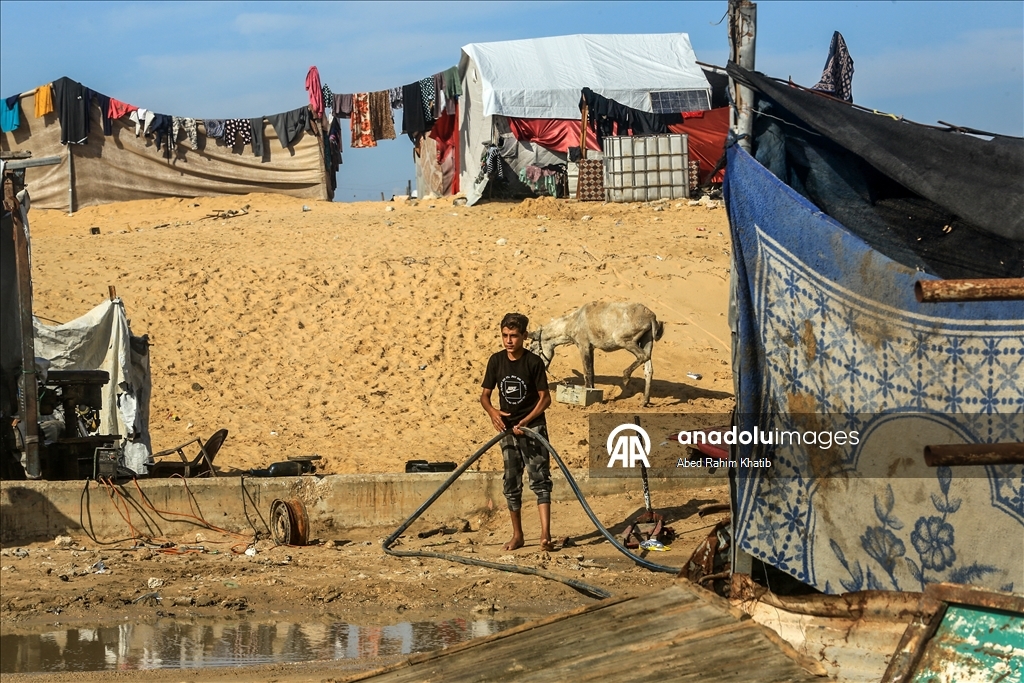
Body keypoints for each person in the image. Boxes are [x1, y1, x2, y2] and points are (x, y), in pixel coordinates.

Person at [480, 312, 554, 552]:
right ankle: (518, 535)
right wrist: (493, 412)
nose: (509, 340)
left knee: (540, 480)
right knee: (511, 482)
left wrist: (527, 421)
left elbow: (545, 399)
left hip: (533, 429)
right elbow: (484, 396)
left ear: (524, 336)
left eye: (513, 336)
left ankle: (545, 535)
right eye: (505, 335)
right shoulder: (496, 361)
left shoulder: (534, 362)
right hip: (508, 431)